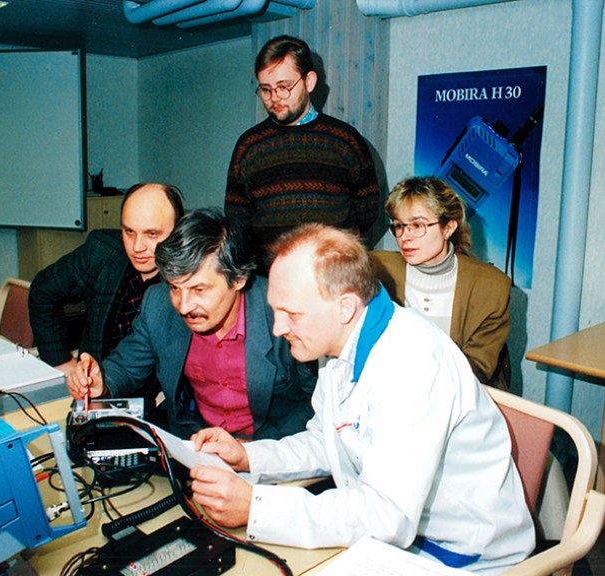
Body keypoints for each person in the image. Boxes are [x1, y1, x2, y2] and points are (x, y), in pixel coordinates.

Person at [188, 224, 535, 575]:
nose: (278, 328)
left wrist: (257, 507)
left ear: (345, 306)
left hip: (462, 556)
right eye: (276, 311)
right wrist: (247, 456)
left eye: (292, 314)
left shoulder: (412, 362)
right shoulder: (342, 341)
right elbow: (328, 440)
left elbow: (387, 516)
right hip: (399, 537)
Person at [67, 208, 317, 440]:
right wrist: (101, 383)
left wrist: (256, 452)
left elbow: (316, 403)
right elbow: (126, 367)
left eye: (199, 290)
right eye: (175, 288)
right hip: (192, 445)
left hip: (270, 448)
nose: (183, 306)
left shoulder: (285, 313)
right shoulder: (159, 306)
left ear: (238, 279)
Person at [224, 35, 380, 272]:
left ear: (309, 81)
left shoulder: (345, 140)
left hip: (333, 277)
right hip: (270, 279)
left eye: (284, 87)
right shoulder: (249, 146)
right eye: (265, 89)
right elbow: (237, 219)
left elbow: (367, 210)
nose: (274, 98)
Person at [29, 183, 184, 380]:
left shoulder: (189, 283)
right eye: (129, 231)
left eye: (152, 234)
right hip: (92, 385)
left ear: (177, 232)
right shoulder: (103, 252)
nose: (137, 247)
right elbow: (43, 290)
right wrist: (61, 362)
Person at [371, 176, 511, 389]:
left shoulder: (492, 287)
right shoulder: (375, 269)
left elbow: (477, 370)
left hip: (458, 395)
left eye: (417, 225)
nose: (404, 237)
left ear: (448, 228)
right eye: (399, 225)